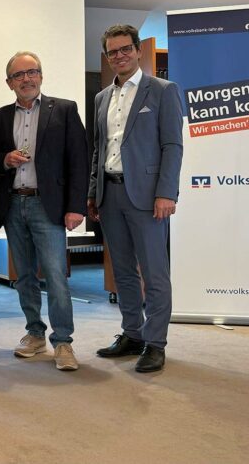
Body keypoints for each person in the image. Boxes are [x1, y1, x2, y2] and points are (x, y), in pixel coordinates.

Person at [0, 51, 89, 371]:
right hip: (13, 204)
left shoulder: (64, 110)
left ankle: (63, 341)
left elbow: (79, 160)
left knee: (55, 275)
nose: (26, 79)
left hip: (47, 205)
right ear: (9, 82)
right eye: (19, 75)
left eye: (32, 72)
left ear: (41, 75)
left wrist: (76, 207)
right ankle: (35, 332)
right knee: (24, 275)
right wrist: (4, 160)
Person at [89, 24, 183, 373]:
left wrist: (166, 192)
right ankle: (133, 333)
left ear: (138, 50)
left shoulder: (162, 90)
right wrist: (92, 192)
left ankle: (155, 343)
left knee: (154, 273)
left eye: (125, 49)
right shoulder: (102, 97)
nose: (119, 56)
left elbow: (172, 145)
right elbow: (99, 148)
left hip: (147, 197)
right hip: (110, 195)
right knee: (123, 271)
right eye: (112, 52)